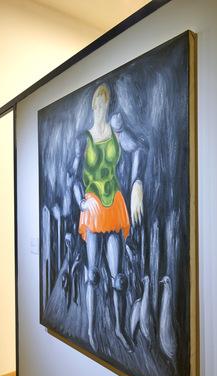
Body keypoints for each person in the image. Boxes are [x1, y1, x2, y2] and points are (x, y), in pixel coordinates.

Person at [71, 83, 144, 352]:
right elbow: (73, 177)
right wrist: (81, 202)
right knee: (92, 274)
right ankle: (91, 330)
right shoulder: (84, 139)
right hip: (93, 209)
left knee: (119, 277)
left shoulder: (117, 132)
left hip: (114, 205)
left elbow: (138, 149)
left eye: (106, 103)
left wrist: (136, 183)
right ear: (93, 106)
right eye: (99, 103)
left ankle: (119, 329)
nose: (103, 108)